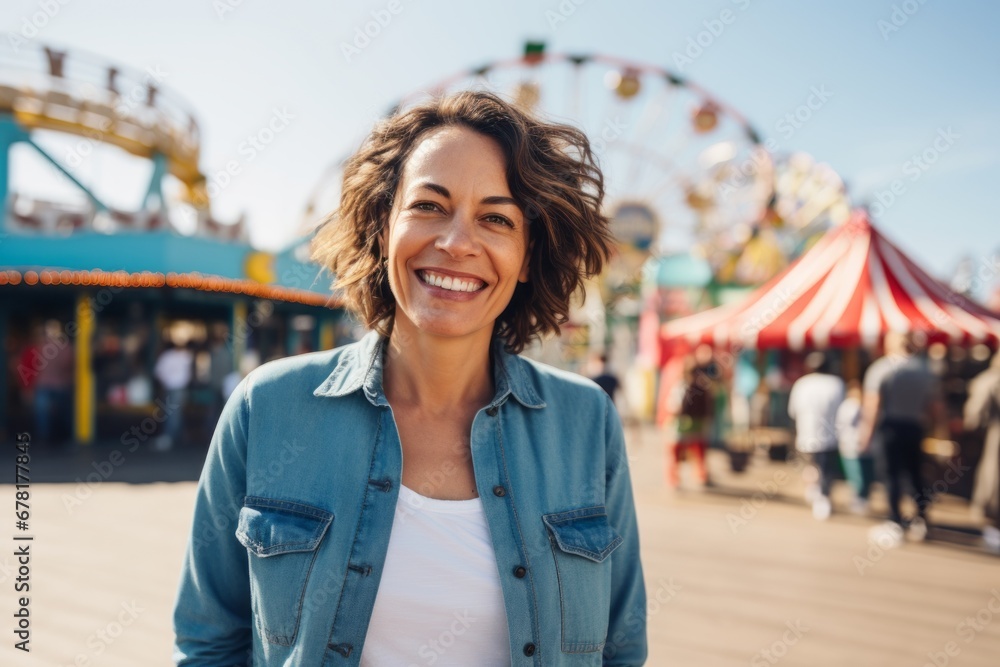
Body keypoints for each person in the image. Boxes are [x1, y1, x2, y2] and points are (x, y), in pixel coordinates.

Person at [173, 91, 647, 665]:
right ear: (382, 225)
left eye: (496, 218)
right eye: (429, 206)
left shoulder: (585, 421)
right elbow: (209, 642)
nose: (456, 243)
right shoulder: (268, 408)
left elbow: (620, 649)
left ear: (526, 257)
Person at [859, 331, 943, 546]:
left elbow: (873, 406)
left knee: (892, 475)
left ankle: (895, 521)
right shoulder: (925, 370)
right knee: (915, 475)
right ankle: (921, 519)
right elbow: (934, 407)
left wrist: (865, 435)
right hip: (915, 427)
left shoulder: (882, 368)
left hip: (891, 428)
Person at [787, 352, 845, 520]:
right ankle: (822, 497)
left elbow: (793, 411)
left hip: (806, 434)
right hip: (829, 436)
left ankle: (815, 492)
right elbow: (842, 411)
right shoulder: (836, 384)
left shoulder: (802, 384)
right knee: (826, 469)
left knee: (811, 465)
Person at [963, 351, 1000, 554]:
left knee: (993, 481)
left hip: (995, 437)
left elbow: (975, 414)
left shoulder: (991, 380)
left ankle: (993, 528)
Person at [664, 345, 715, 489]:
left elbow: (674, 405)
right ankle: (698, 476)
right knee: (697, 451)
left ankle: (678, 477)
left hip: (684, 421)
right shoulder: (701, 385)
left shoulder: (682, 385)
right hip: (695, 421)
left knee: (679, 452)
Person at [836, 380, 874, 515]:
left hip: (858, 444)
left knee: (861, 475)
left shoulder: (860, 405)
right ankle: (859, 499)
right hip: (852, 444)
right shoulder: (851, 405)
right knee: (857, 475)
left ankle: (861, 499)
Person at [154, 338, 194, 452]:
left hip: (171, 387)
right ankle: (174, 438)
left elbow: (159, 373)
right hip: (179, 388)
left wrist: (165, 383)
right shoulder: (186, 356)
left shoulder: (168, 356)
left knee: (172, 413)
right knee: (175, 413)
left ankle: (171, 438)